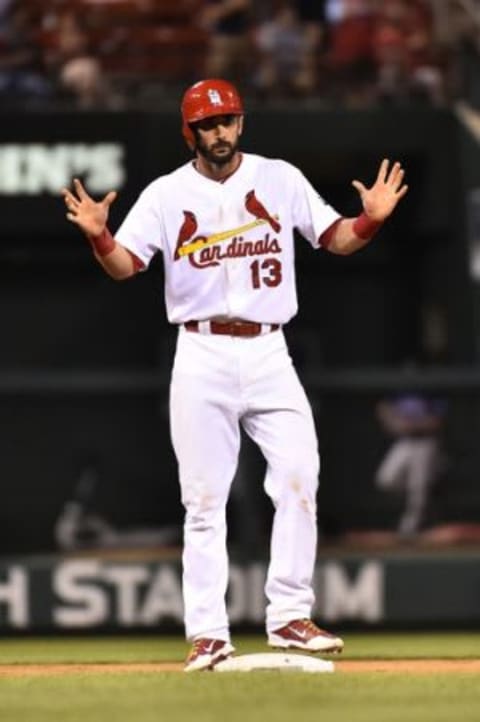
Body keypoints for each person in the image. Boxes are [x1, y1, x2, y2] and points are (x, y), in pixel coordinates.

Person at [61, 78, 408, 671]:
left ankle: (289, 617)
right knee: (204, 499)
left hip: (270, 350)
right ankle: (208, 634)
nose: (220, 133)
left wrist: (370, 221)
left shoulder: (280, 177)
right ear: (188, 131)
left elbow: (335, 239)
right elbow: (126, 266)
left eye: (228, 121)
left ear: (241, 124)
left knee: (300, 474)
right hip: (200, 353)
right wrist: (99, 236)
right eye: (207, 124)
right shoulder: (168, 194)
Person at [375, 392, 448, 538]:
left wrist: (414, 425)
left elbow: (438, 420)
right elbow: (383, 408)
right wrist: (395, 422)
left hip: (426, 442)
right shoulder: (401, 390)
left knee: (418, 490)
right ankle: (420, 510)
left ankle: (409, 531)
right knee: (386, 480)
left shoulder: (431, 393)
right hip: (405, 441)